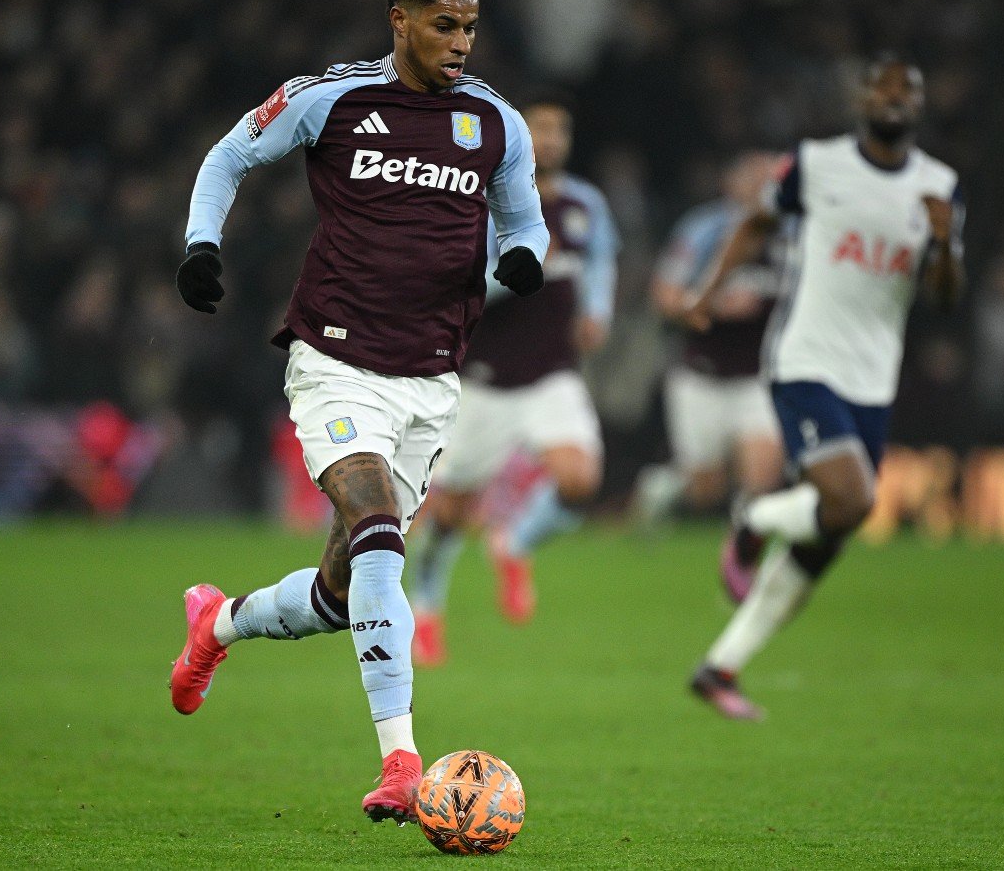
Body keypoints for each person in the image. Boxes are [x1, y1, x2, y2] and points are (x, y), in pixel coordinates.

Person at [168, 0, 549, 824]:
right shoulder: (332, 98)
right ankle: (402, 764)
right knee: (379, 533)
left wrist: (524, 258)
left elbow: (525, 220)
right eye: (444, 25)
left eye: (471, 27)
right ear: (400, 20)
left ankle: (217, 624)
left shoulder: (495, 122)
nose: (461, 43)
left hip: (432, 380)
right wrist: (201, 245)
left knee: (342, 594)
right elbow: (228, 156)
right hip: (336, 361)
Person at [685, 54, 965, 720]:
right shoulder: (816, 163)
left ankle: (720, 668)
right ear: (861, 99)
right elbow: (756, 223)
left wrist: (946, 245)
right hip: (805, 358)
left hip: (874, 378)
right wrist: (709, 289)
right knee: (851, 497)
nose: (893, 98)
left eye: (906, 89)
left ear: (919, 105)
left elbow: (946, 298)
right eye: (881, 87)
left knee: (833, 529)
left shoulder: (939, 186)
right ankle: (753, 519)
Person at [407, 96, 618, 664]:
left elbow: (600, 258)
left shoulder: (584, 203)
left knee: (580, 479)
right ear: (516, 137)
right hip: (486, 379)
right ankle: (426, 608)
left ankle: (513, 542)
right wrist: (519, 272)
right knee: (451, 513)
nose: (550, 140)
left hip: (553, 373)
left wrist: (597, 309)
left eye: (559, 130)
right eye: (539, 130)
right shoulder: (482, 200)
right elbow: (458, 285)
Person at [636, 153, 785, 540]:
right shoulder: (704, 228)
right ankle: (663, 487)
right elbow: (663, 295)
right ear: (730, 182)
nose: (762, 186)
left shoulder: (791, 231)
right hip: (702, 373)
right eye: (752, 177)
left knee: (762, 477)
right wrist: (714, 305)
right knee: (706, 489)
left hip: (758, 375)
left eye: (769, 178)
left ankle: (741, 550)